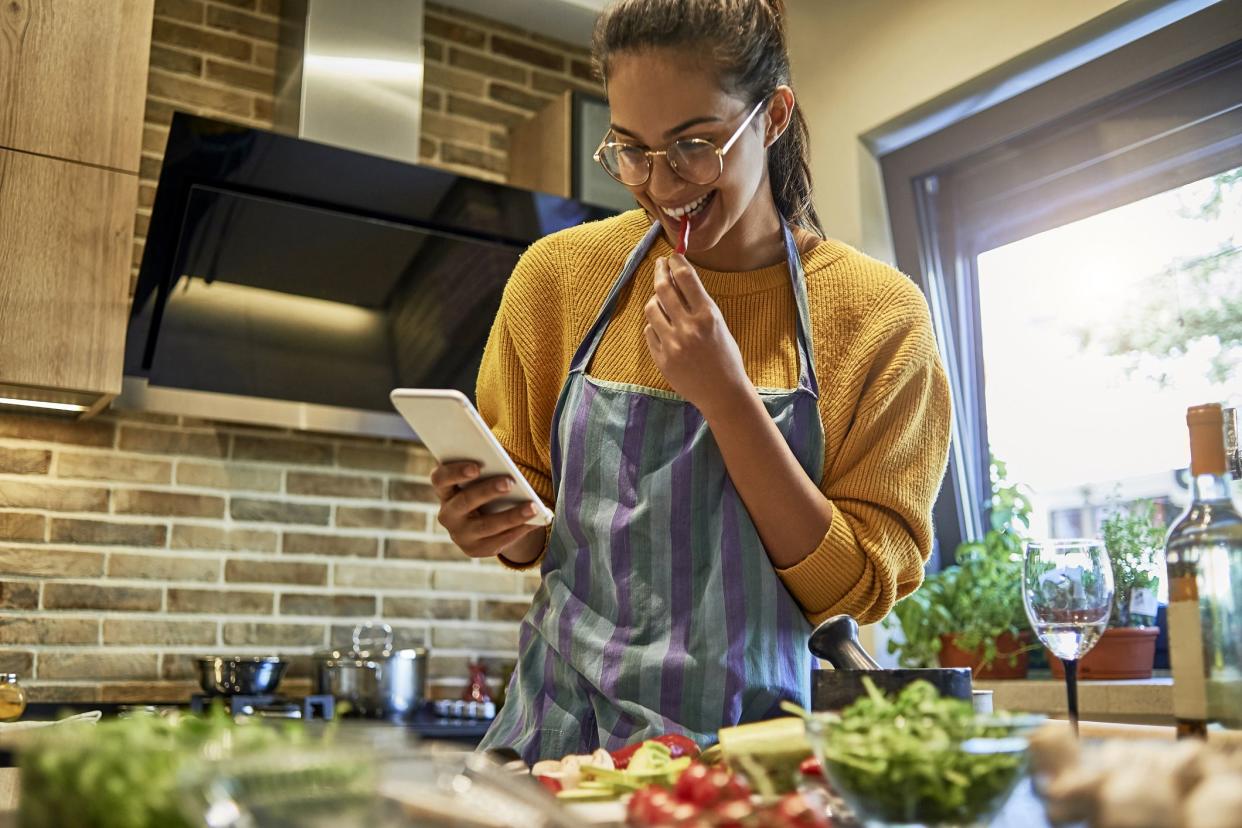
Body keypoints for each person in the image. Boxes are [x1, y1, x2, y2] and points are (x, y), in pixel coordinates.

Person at [429, 0, 951, 762]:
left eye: (693, 145)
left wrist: (729, 398)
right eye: (632, 150)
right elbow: (543, 528)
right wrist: (497, 528)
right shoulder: (557, 280)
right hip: (556, 747)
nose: (660, 183)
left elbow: (853, 589)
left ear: (772, 117)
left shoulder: (878, 314)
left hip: (752, 761)